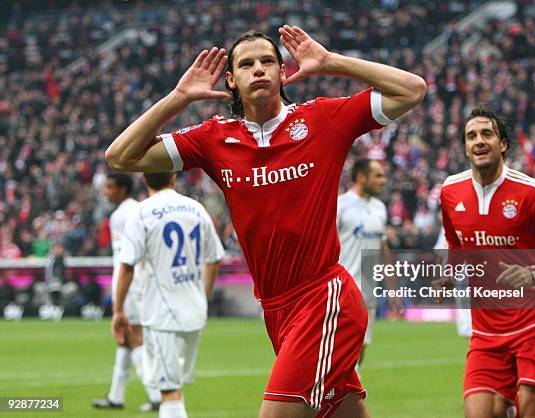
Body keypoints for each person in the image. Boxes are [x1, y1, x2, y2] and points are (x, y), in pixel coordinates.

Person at [105, 25, 426, 418]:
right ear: (231, 80)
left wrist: (329, 62)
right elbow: (121, 157)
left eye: (268, 61)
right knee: (344, 412)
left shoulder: (323, 119)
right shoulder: (213, 139)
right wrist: (178, 97)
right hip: (276, 310)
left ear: (283, 72)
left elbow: (412, 89)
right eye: (247, 64)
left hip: (323, 298)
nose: (258, 69)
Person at [439, 105, 535, 418]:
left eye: (487, 134)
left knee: (529, 411)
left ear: (502, 144)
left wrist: (532, 275)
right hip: (486, 329)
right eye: (471, 136)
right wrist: (450, 274)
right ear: (465, 147)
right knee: (480, 414)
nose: (479, 141)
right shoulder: (450, 191)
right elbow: (455, 243)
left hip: (534, 322)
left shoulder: (531, 192)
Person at [112, 172, 225, 418]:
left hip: (163, 314)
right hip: (195, 312)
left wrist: (118, 309)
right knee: (174, 387)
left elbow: (127, 266)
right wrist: (203, 297)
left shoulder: (141, 213)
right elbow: (215, 257)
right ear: (173, 178)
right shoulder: (196, 209)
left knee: (169, 391)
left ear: (145, 180)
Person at [92, 173, 161, 412]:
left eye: (110, 187)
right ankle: (115, 397)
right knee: (123, 341)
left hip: (130, 284)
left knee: (133, 338)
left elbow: (127, 258)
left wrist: (120, 293)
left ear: (123, 189)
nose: (105, 191)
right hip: (136, 282)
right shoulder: (135, 209)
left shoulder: (123, 215)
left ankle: (156, 395)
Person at [337, 158, 397, 366]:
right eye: (378, 175)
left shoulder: (379, 208)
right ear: (361, 177)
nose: (383, 180)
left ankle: (349, 393)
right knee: (340, 352)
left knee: (361, 349)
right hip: (342, 293)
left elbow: (383, 250)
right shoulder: (340, 206)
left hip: (369, 293)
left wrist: (393, 290)